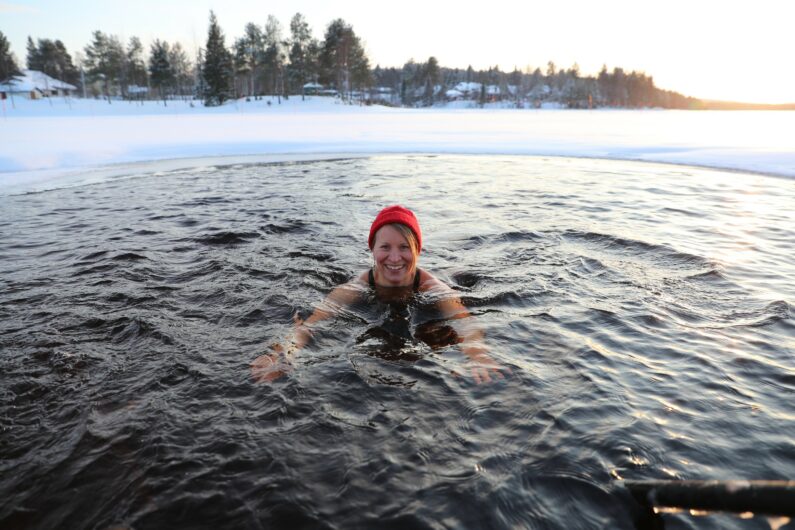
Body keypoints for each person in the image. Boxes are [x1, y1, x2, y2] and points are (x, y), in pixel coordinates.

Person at [251, 205, 509, 384]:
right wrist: (282, 354)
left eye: (404, 248)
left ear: (418, 250)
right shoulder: (354, 288)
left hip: (435, 295)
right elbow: (311, 324)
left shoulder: (436, 289)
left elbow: (464, 321)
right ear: (372, 250)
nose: (395, 257)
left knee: (442, 338)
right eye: (385, 247)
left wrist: (477, 354)